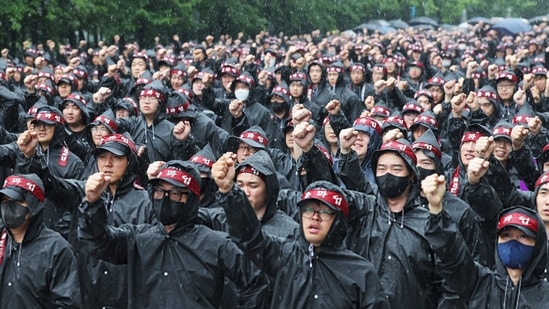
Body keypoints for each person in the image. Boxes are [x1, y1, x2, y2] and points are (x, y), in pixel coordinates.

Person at [78, 160, 268, 308]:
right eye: (160, 191)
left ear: (192, 199)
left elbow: (256, 284)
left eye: (176, 193)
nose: (166, 198)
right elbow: (98, 242)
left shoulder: (215, 244)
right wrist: (92, 202)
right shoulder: (139, 238)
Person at [212, 153, 390, 308]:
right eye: (309, 210)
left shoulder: (360, 271)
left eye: (325, 212)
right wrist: (229, 191)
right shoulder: (285, 255)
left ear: (338, 221)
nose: (315, 217)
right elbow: (248, 236)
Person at [423, 174, 549, 308]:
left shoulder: (546, 295)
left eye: (523, 236)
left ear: (538, 245)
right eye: (506, 235)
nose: (513, 242)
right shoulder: (480, 283)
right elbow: (452, 256)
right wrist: (436, 210)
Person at [0, 174, 81, 307]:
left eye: (17, 201)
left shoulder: (56, 249)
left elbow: (67, 303)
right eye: (5, 200)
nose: (9, 206)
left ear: (33, 205)